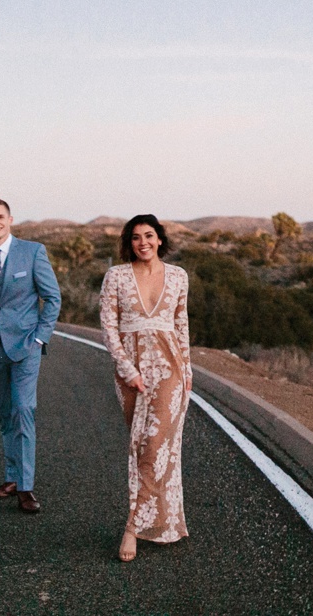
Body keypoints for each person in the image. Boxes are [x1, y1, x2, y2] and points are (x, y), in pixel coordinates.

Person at [99, 213, 192, 561]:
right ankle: (161, 521)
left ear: (160, 239)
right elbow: (109, 326)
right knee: (142, 448)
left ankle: (132, 528)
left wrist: (187, 370)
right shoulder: (116, 276)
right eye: (136, 237)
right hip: (131, 371)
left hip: (171, 370)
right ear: (129, 242)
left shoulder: (179, 276)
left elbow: (181, 324)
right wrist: (127, 369)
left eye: (149, 235)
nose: (143, 243)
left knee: (155, 446)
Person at [0, 198, 61, 514]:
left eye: (0, 217)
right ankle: (10, 479)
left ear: (10, 220)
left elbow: (52, 297)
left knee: (23, 409)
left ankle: (25, 487)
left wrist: (40, 337)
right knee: (6, 412)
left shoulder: (32, 252)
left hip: (25, 346)